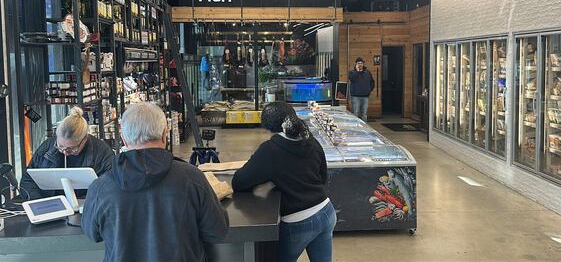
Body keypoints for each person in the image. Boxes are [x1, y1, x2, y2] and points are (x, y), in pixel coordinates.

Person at [81, 102, 229, 262]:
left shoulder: (101, 186)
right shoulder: (192, 178)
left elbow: (92, 233)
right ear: (165, 134)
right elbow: (217, 231)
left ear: (123, 137)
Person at [232, 102, 335, 262]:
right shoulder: (311, 140)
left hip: (298, 221)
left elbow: (239, 182)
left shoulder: (270, 150)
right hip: (326, 211)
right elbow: (323, 176)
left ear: (267, 126)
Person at [19, 107, 114, 200]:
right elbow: (28, 179)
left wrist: (87, 205)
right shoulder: (48, 146)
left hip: (87, 206)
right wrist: (38, 201)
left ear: (85, 139)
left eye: (72, 149)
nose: (65, 152)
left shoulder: (102, 153)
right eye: (60, 146)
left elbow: (111, 187)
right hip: (50, 204)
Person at [348, 57, 375, 122]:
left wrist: (369, 90)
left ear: (363, 64)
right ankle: (355, 128)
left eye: (361, 63)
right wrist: (357, 71)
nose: (360, 64)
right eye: (358, 63)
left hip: (365, 96)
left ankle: (365, 129)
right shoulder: (352, 72)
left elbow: (372, 82)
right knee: (355, 113)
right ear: (356, 64)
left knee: (364, 114)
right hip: (355, 96)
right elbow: (352, 79)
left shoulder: (367, 72)